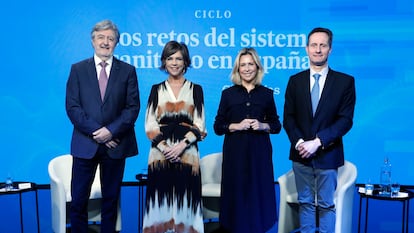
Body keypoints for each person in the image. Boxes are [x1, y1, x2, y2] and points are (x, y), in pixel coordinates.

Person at [65, 19, 140, 233]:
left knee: (110, 200)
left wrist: (110, 132)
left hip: (116, 146)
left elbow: (132, 108)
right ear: (92, 41)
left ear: (116, 43)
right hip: (84, 145)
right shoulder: (78, 69)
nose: (105, 42)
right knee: (78, 200)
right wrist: (98, 132)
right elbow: (72, 107)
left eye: (110, 39)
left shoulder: (128, 71)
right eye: (101, 38)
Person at [283, 27, 356, 233]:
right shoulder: (295, 81)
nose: (318, 49)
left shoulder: (345, 82)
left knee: (325, 205)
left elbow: (345, 120)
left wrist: (317, 142)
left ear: (330, 49)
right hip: (300, 155)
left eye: (322, 45)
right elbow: (288, 118)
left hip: (328, 154)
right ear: (307, 49)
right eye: (313, 45)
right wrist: (300, 143)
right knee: (305, 203)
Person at [213, 47, 282, 233]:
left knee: (258, 195)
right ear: (237, 69)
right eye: (242, 65)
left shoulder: (267, 94)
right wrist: (236, 125)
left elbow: (276, 125)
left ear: (257, 67)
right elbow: (218, 126)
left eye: (250, 64)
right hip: (235, 153)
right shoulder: (228, 94)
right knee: (235, 196)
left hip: (259, 154)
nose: (247, 68)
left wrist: (262, 125)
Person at [142, 41, 206, 233]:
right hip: (160, 154)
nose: (174, 63)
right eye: (170, 58)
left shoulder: (196, 89)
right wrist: (165, 148)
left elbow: (200, 124)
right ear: (164, 61)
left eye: (179, 58)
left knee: (187, 200)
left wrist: (180, 146)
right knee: (159, 200)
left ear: (185, 61)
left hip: (187, 153)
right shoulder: (156, 89)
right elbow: (150, 124)